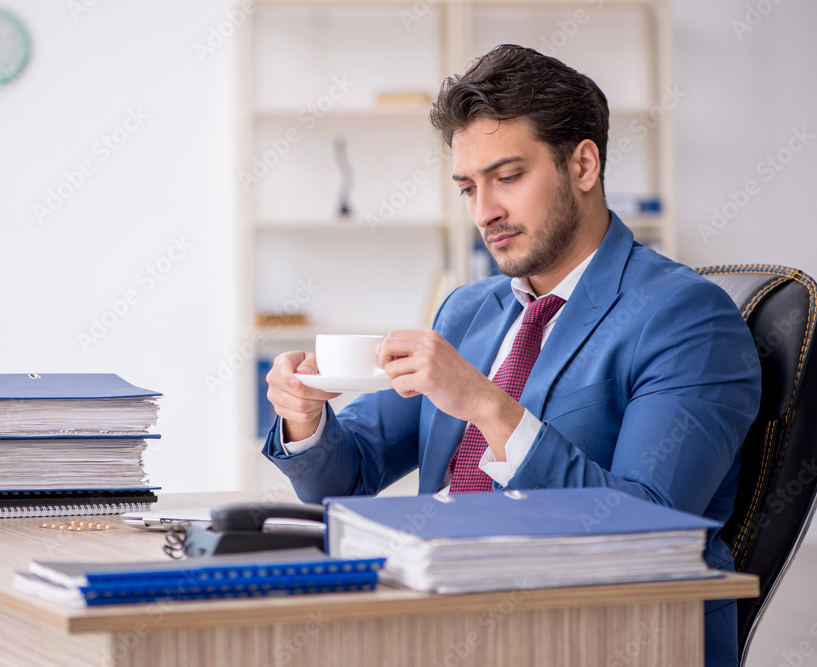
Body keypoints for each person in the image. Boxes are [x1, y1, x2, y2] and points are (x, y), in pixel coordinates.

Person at [262, 44, 760, 666]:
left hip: (593, 637)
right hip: (441, 618)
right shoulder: (468, 311)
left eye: (508, 177)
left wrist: (487, 407)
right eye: (468, 187)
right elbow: (350, 473)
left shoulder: (685, 317)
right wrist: (305, 418)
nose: (484, 212)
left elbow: (645, 526)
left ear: (583, 165)